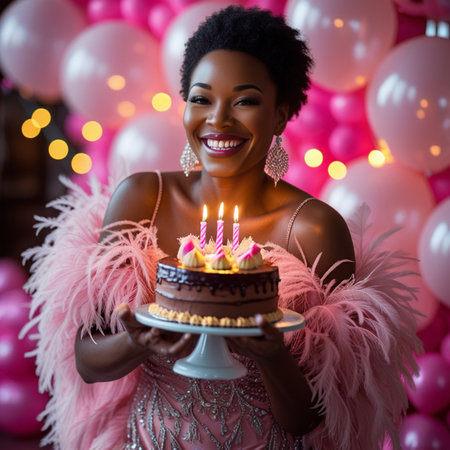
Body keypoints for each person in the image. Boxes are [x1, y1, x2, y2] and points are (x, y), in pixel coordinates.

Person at [22, 6, 422, 450]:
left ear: (281, 112)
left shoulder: (312, 229)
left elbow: (315, 419)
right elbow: (87, 360)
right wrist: (135, 344)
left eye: (245, 101)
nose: (218, 120)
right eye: (201, 98)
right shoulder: (142, 201)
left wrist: (271, 357)